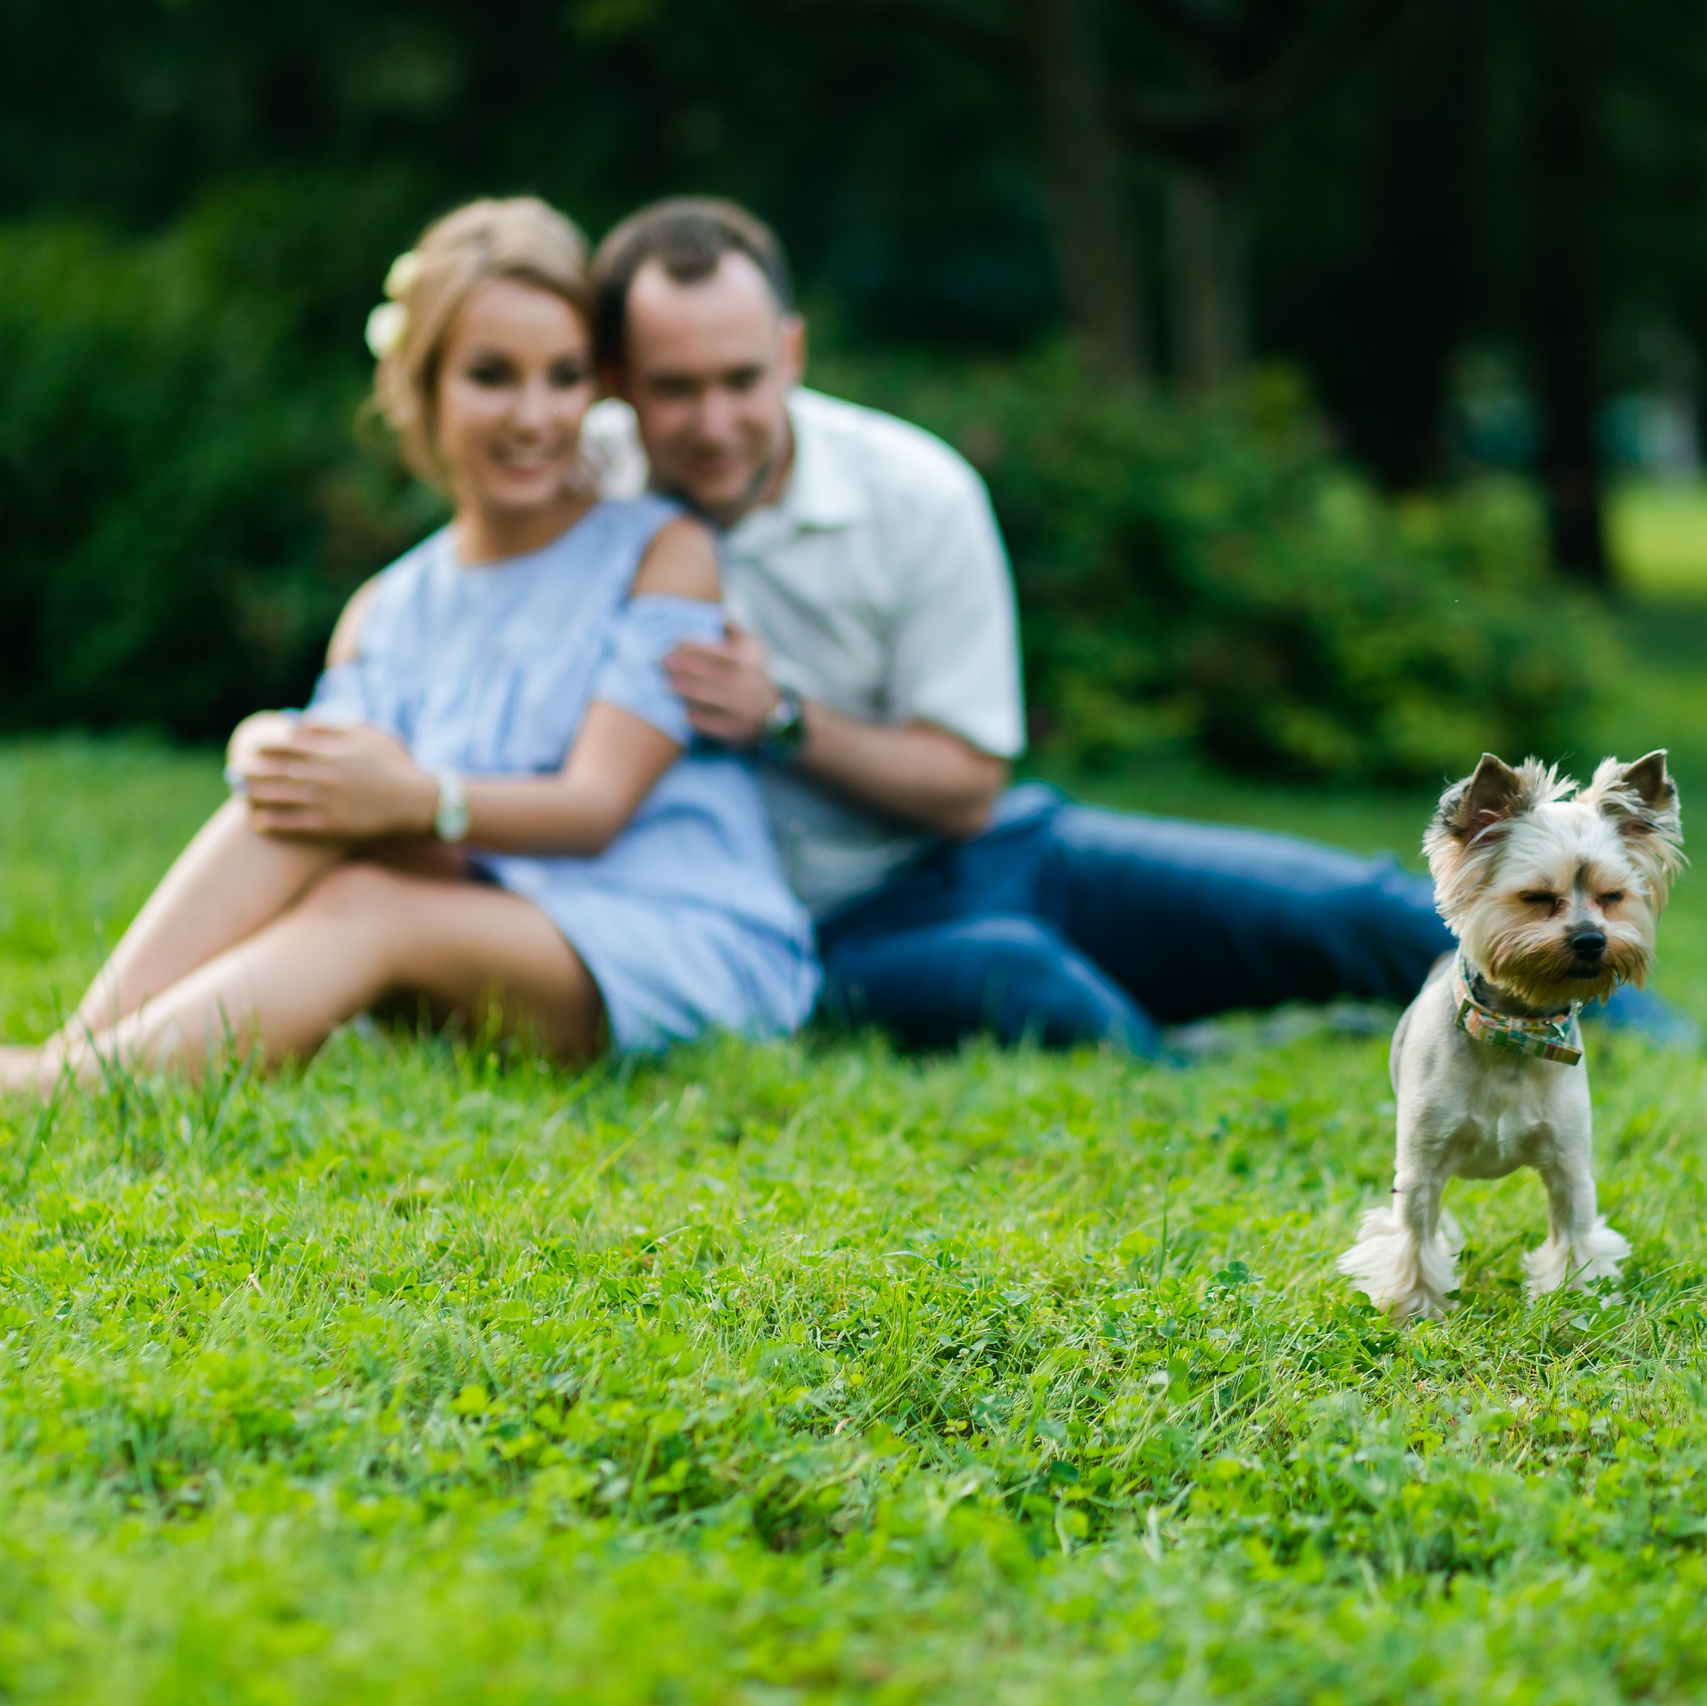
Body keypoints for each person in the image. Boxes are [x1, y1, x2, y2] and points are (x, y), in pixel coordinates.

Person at [580, 196, 1678, 1056]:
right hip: (821, 932)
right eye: (676, 390)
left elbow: (966, 782)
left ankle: (1655, 1040)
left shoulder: (913, 490)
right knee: (1035, 986)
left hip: (985, 844)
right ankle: (1241, 1047)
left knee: (1336, 905)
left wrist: (780, 719)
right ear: (620, 380)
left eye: (741, 378)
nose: (715, 424)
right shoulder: (577, 490)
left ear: (792, 350)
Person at [0, 197, 817, 1095]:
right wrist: (271, 750)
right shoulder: (385, 608)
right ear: (418, 385)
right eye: (492, 375)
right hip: (480, 919)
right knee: (294, 793)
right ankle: (78, 1052)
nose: (535, 415)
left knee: (368, 906)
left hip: (669, 934)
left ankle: (55, 1092)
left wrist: (420, 796)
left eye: (565, 375)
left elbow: (595, 809)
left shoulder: (663, 552)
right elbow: (333, 802)